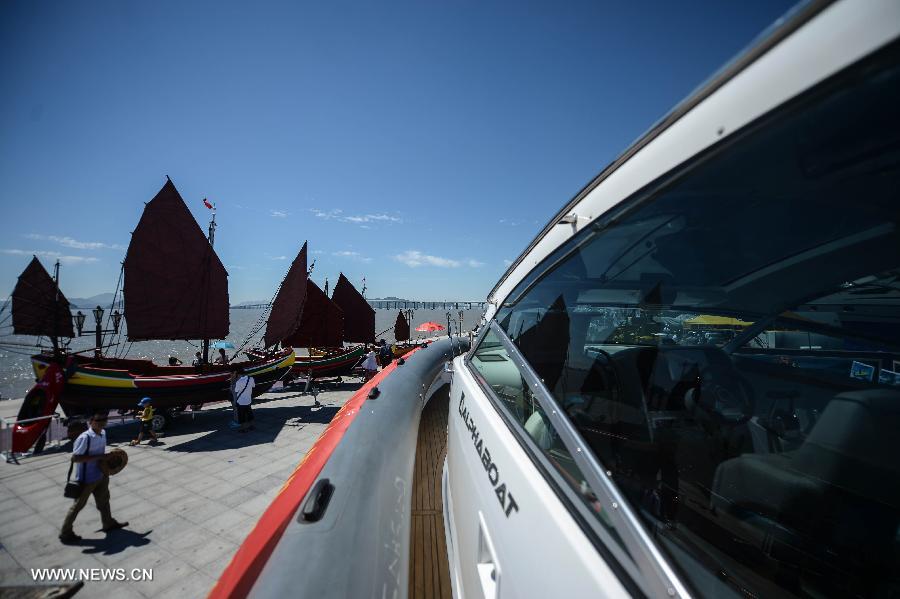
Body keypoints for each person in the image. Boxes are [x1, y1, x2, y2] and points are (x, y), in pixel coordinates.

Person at [60, 411, 128, 544]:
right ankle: (65, 532)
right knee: (78, 505)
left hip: (101, 474)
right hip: (86, 479)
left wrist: (107, 459)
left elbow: (100, 453)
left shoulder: (103, 433)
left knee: (104, 501)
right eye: (98, 420)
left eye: (104, 420)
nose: (102, 422)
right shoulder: (85, 438)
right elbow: (76, 458)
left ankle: (108, 523)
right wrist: (101, 457)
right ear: (91, 422)